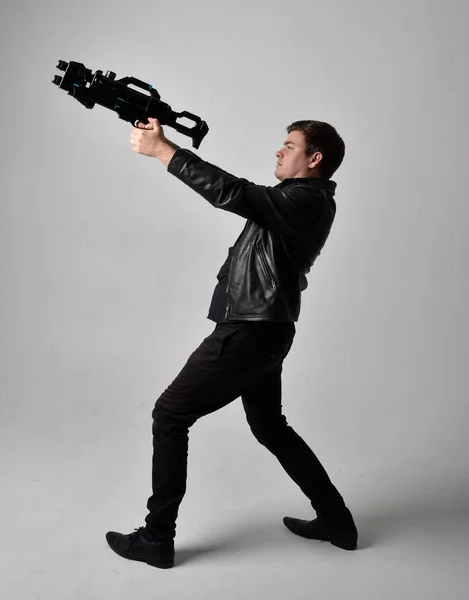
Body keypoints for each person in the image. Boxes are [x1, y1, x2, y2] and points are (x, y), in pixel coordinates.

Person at [105, 117, 358, 569]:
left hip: (248, 331)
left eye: (289, 146)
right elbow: (250, 200)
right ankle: (336, 521)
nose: (279, 153)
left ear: (314, 159)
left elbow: (234, 193)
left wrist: (165, 151)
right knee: (270, 427)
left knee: (170, 414)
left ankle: (156, 538)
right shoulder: (294, 200)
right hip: (265, 329)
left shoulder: (306, 201)